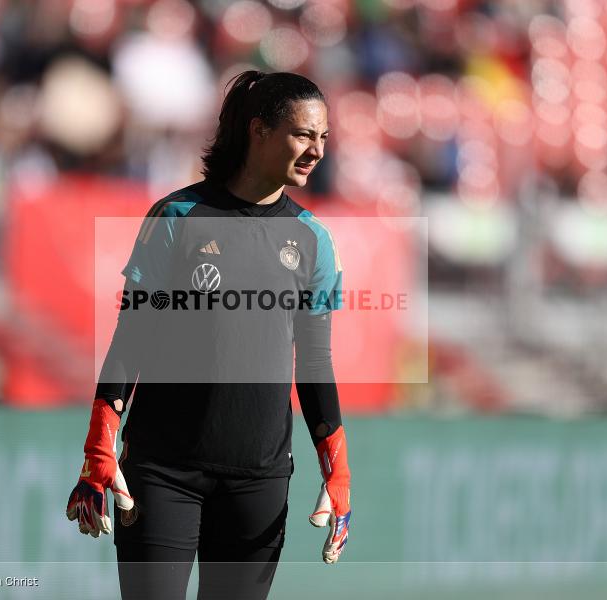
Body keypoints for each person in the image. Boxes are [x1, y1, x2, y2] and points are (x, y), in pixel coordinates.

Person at [66, 70, 352, 599]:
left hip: (259, 483)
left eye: (323, 138)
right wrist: (99, 446)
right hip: (162, 473)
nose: (316, 150)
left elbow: (315, 363)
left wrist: (337, 470)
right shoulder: (177, 215)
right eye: (302, 134)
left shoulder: (313, 239)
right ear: (258, 130)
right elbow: (132, 338)